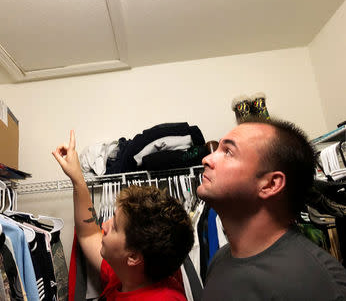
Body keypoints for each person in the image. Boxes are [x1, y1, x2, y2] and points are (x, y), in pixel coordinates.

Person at [198, 117, 346, 300]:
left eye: (228, 151)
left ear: (270, 184)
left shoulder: (318, 283)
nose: (206, 159)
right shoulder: (219, 260)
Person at [53, 131, 194, 300]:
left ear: (133, 256)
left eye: (115, 227)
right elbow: (89, 234)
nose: (104, 225)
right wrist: (77, 178)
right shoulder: (128, 276)